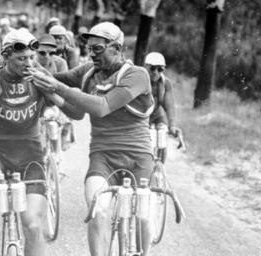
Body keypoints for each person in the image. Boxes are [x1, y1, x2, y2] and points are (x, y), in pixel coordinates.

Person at [29, 22, 155, 256]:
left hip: (139, 158)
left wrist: (59, 88)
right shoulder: (88, 73)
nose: (91, 54)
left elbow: (102, 107)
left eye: (98, 49)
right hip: (103, 157)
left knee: (143, 217)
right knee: (98, 210)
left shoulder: (138, 75)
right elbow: (54, 80)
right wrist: (26, 62)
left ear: (117, 48)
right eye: (89, 48)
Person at [0, 29, 62, 256]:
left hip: (30, 152)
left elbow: (67, 105)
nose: (28, 63)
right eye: (21, 58)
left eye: (32, 57)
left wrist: (56, 100)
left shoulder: (38, 77)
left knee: (32, 224)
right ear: (6, 56)